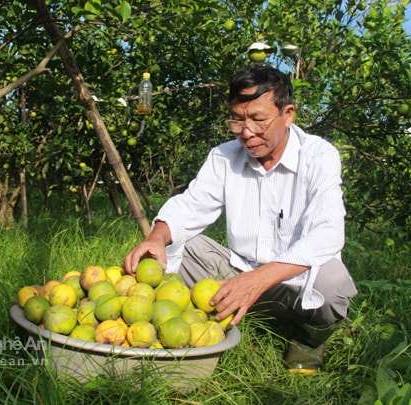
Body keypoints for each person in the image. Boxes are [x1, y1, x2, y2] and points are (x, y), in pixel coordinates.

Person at [123, 65, 357, 373]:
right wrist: (157, 237)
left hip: (292, 284)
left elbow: (327, 233)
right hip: (237, 272)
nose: (246, 132)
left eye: (258, 119)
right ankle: (190, 323)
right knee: (181, 244)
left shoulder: (317, 156)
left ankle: (306, 340)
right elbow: (192, 204)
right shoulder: (224, 157)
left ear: (288, 114)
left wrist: (258, 280)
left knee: (333, 282)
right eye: (237, 119)